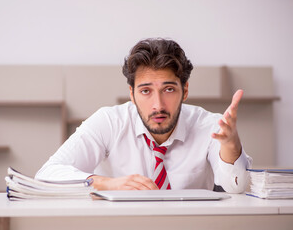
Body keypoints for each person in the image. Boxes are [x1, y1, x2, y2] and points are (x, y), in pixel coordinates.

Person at [35, 38, 252, 193]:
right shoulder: (109, 122)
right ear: (132, 93)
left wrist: (232, 145)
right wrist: (105, 183)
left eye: (168, 89)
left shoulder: (211, 126)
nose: (158, 105)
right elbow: (47, 174)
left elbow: (238, 187)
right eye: (146, 91)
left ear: (185, 90)